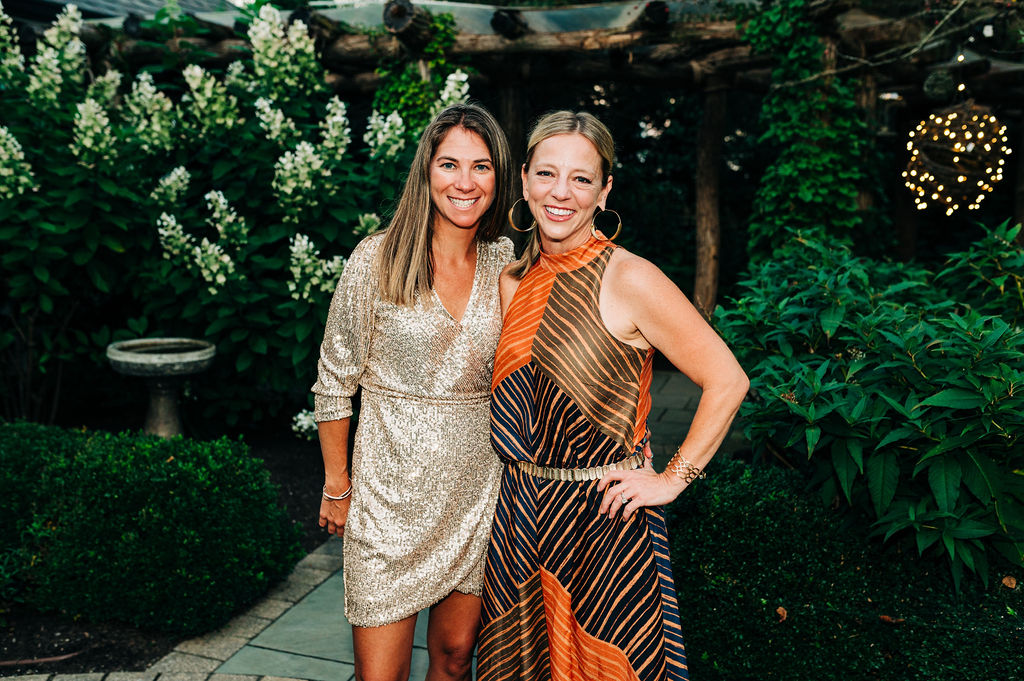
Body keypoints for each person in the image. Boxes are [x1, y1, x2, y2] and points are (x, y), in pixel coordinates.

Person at [478, 111, 749, 681]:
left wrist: (672, 479)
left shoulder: (630, 278)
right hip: (520, 523)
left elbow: (728, 380)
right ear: (523, 180)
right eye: (547, 173)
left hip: (604, 525)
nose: (560, 192)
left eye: (581, 178)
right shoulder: (511, 281)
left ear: (604, 192)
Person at [311, 103, 514, 681]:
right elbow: (334, 383)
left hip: (479, 497)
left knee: (455, 660)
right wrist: (336, 486)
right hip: (388, 505)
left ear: (499, 177)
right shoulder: (376, 258)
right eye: (450, 164)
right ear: (426, 170)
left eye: (481, 166)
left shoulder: (507, 262)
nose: (465, 182)